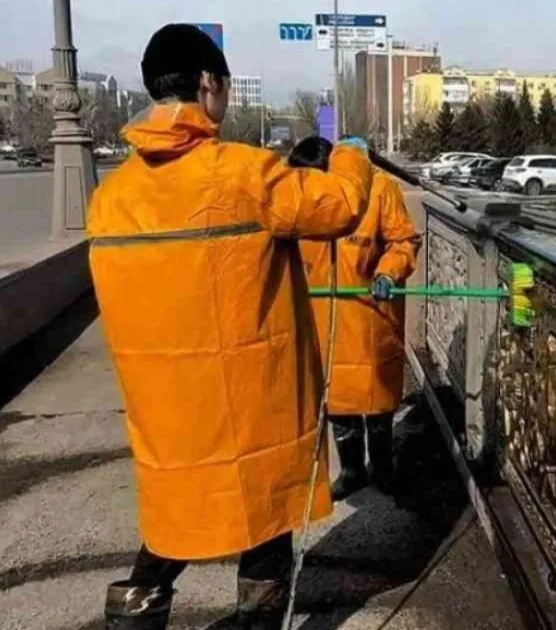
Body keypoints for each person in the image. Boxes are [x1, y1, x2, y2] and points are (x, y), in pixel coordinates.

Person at [88, 24, 373, 630]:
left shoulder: (110, 197)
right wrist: (350, 154)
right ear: (209, 83)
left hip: (166, 413)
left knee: (174, 526)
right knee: (263, 523)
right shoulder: (244, 173)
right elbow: (341, 206)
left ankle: (133, 612)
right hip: (250, 411)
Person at [290, 136, 421, 499]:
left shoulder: (380, 190)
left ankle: (381, 466)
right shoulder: (298, 196)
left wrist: (387, 273)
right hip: (319, 316)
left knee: (375, 400)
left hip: (369, 317)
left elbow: (404, 241)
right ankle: (351, 471)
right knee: (336, 400)